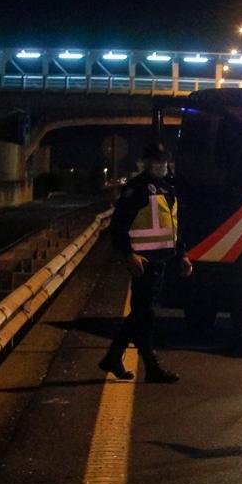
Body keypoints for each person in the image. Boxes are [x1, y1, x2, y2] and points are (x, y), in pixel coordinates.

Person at [99, 144, 192, 383]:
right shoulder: (137, 189)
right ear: (146, 163)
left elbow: (171, 225)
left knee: (141, 313)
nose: (161, 165)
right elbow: (117, 226)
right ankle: (150, 365)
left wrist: (182, 254)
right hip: (143, 261)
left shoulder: (167, 188)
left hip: (161, 259)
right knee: (145, 313)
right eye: (156, 161)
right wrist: (129, 254)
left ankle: (114, 357)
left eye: (163, 161)